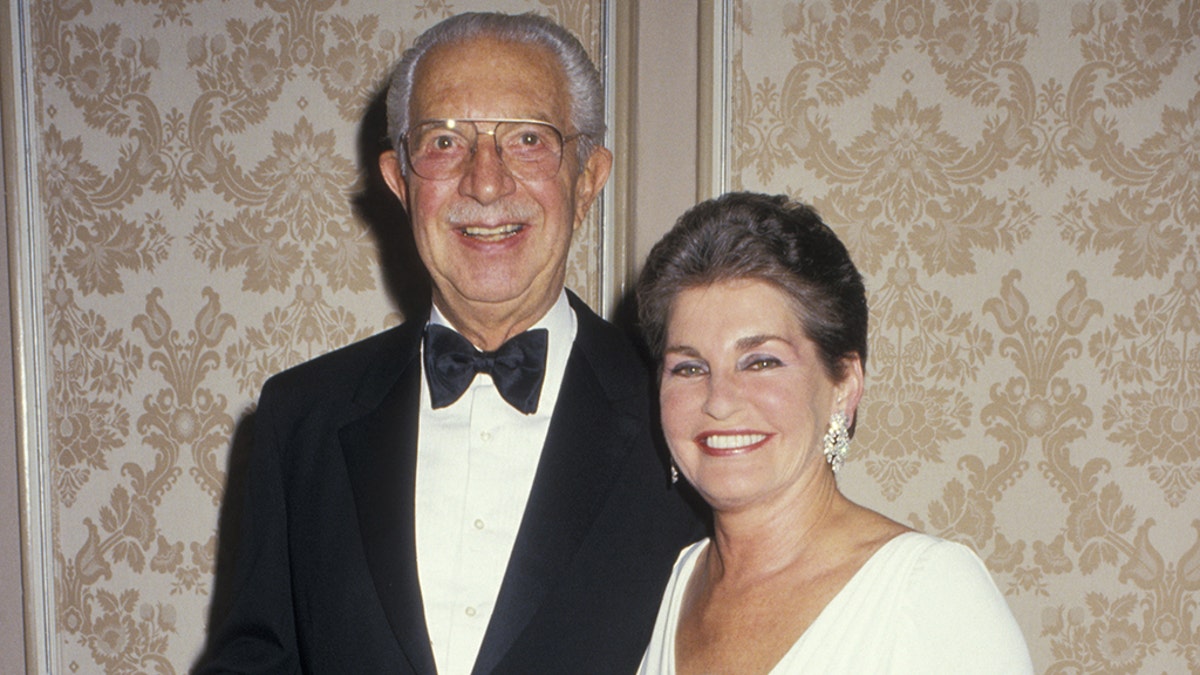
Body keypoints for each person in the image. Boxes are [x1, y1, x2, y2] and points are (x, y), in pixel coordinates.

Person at [197, 12, 701, 675]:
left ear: (587, 179)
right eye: (443, 141)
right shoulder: (302, 417)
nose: (485, 182)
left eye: (527, 138)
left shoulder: (687, 411)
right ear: (401, 180)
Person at [634, 192, 1033, 674]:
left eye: (761, 362)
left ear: (843, 385)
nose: (719, 400)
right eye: (690, 367)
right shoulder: (675, 582)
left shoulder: (925, 592)